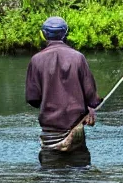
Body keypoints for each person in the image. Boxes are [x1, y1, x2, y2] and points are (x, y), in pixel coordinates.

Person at [25, 16, 102, 166]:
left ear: (43, 35)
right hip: (76, 130)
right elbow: (92, 99)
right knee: (80, 176)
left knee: (51, 179)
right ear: (65, 35)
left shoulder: (36, 60)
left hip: (50, 133)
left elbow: (32, 99)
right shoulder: (78, 58)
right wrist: (91, 107)